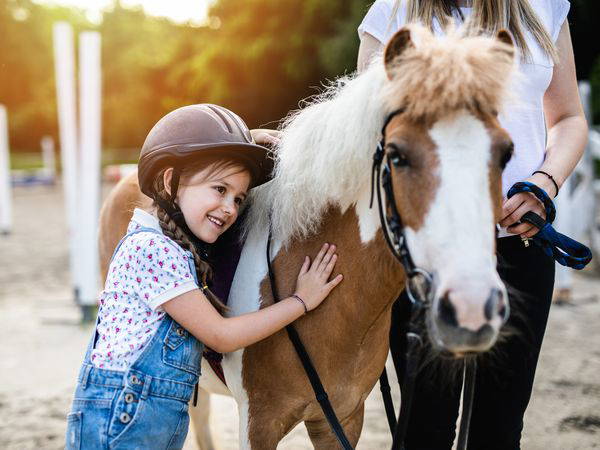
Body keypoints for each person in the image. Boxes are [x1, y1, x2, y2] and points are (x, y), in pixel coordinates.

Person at [357, 1, 587, 449]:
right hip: (426, 254)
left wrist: (543, 182)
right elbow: (370, 129)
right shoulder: (393, 11)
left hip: (520, 242)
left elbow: (568, 118)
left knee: (500, 427)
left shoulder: (546, 8)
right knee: (424, 424)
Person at [64, 104, 343, 449]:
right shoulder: (152, 251)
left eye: (239, 198)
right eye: (219, 189)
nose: (230, 208)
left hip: (149, 421)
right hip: (121, 422)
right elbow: (222, 336)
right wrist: (300, 301)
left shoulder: (175, 251)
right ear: (170, 181)